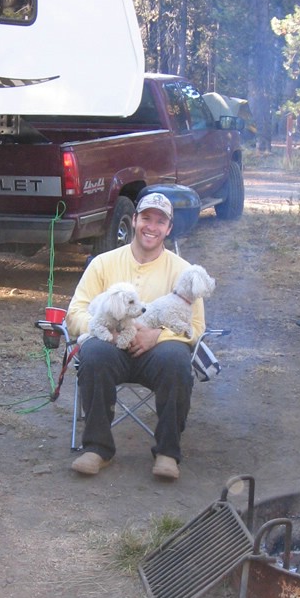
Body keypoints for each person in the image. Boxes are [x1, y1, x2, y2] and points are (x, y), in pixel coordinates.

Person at [65, 192, 206, 480]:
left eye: (160, 221)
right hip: (112, 346)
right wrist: (106, 329)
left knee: (177, 360)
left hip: (156, 353)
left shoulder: (183, 271)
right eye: (146, 218)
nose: (151, 227)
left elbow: (197, 326)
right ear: (134, 221)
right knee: (93, 354)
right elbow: (76, 311)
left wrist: (157, 336)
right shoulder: (103, 263)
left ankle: (167, 453)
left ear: (169, 228)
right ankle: (97, 449)